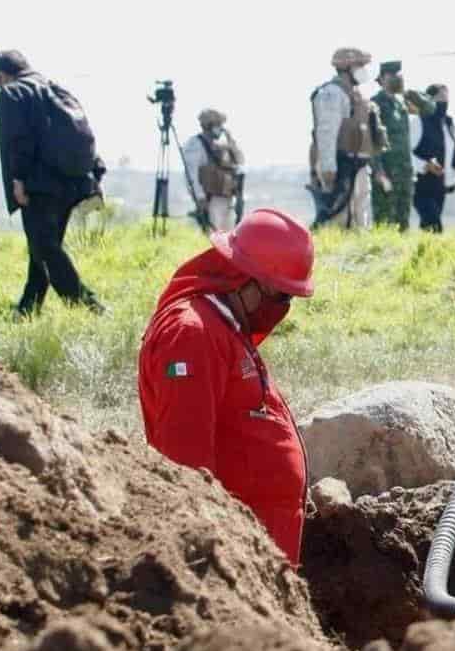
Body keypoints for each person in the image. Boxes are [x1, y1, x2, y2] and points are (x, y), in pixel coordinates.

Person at [137, 208, 315, 566]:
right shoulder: (192, 335)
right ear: (248, 279)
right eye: (281, 296)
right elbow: (185, 463)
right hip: (231, 561)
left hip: (260, 551)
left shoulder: (225, 327)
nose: (283, 308)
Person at [0, 50, 105, 316]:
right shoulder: (55, 88)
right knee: (42, 246)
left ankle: (86, 304)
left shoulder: (13, 92)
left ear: (1, 75)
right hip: (72, 182)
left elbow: (17, 140)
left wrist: (17, 179)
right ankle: (28, 308)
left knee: (45, 247)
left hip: (39, 185)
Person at [310, 47, 386, 229]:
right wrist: (328, 167)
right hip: (340, 164)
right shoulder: (332, 93)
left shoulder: (356, 94)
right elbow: (326, 133)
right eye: (359, 66)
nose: (364, 70)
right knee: (339, 216)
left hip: (359, 164)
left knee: (360, 215)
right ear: (347, 68)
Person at [370, 61, 435, 231]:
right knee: (385, 222)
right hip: (387, 171)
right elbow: (372, 140)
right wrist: (378, 171)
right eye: (393, 76)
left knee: (403, 221)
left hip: (405, 172)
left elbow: (430, 109)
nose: (398, 79)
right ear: (382, 78)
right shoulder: (376, 103)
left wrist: (413, 94)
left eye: (400, 76)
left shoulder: (402, 103)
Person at [182, 108, 245, 233]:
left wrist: (232, 143)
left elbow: (240, 160)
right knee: (213, 236)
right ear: (209, 125)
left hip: (226, 198)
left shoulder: (220, 145)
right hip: (210, 200)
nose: (221, 128)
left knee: (228, 237)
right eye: (218, 124)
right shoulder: (195, 144)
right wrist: (199, 197)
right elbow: (191, 175)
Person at [412, 84, 455, 233]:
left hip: (439, 185)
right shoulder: (419, 121)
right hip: (420, 184)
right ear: (429, 99)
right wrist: (425, 165)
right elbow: (408, 153)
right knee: (434, 226)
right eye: (440, 98)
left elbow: (450, 152)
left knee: (430, 229)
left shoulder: (448, 123)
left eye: (447, 98)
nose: (444, 102)